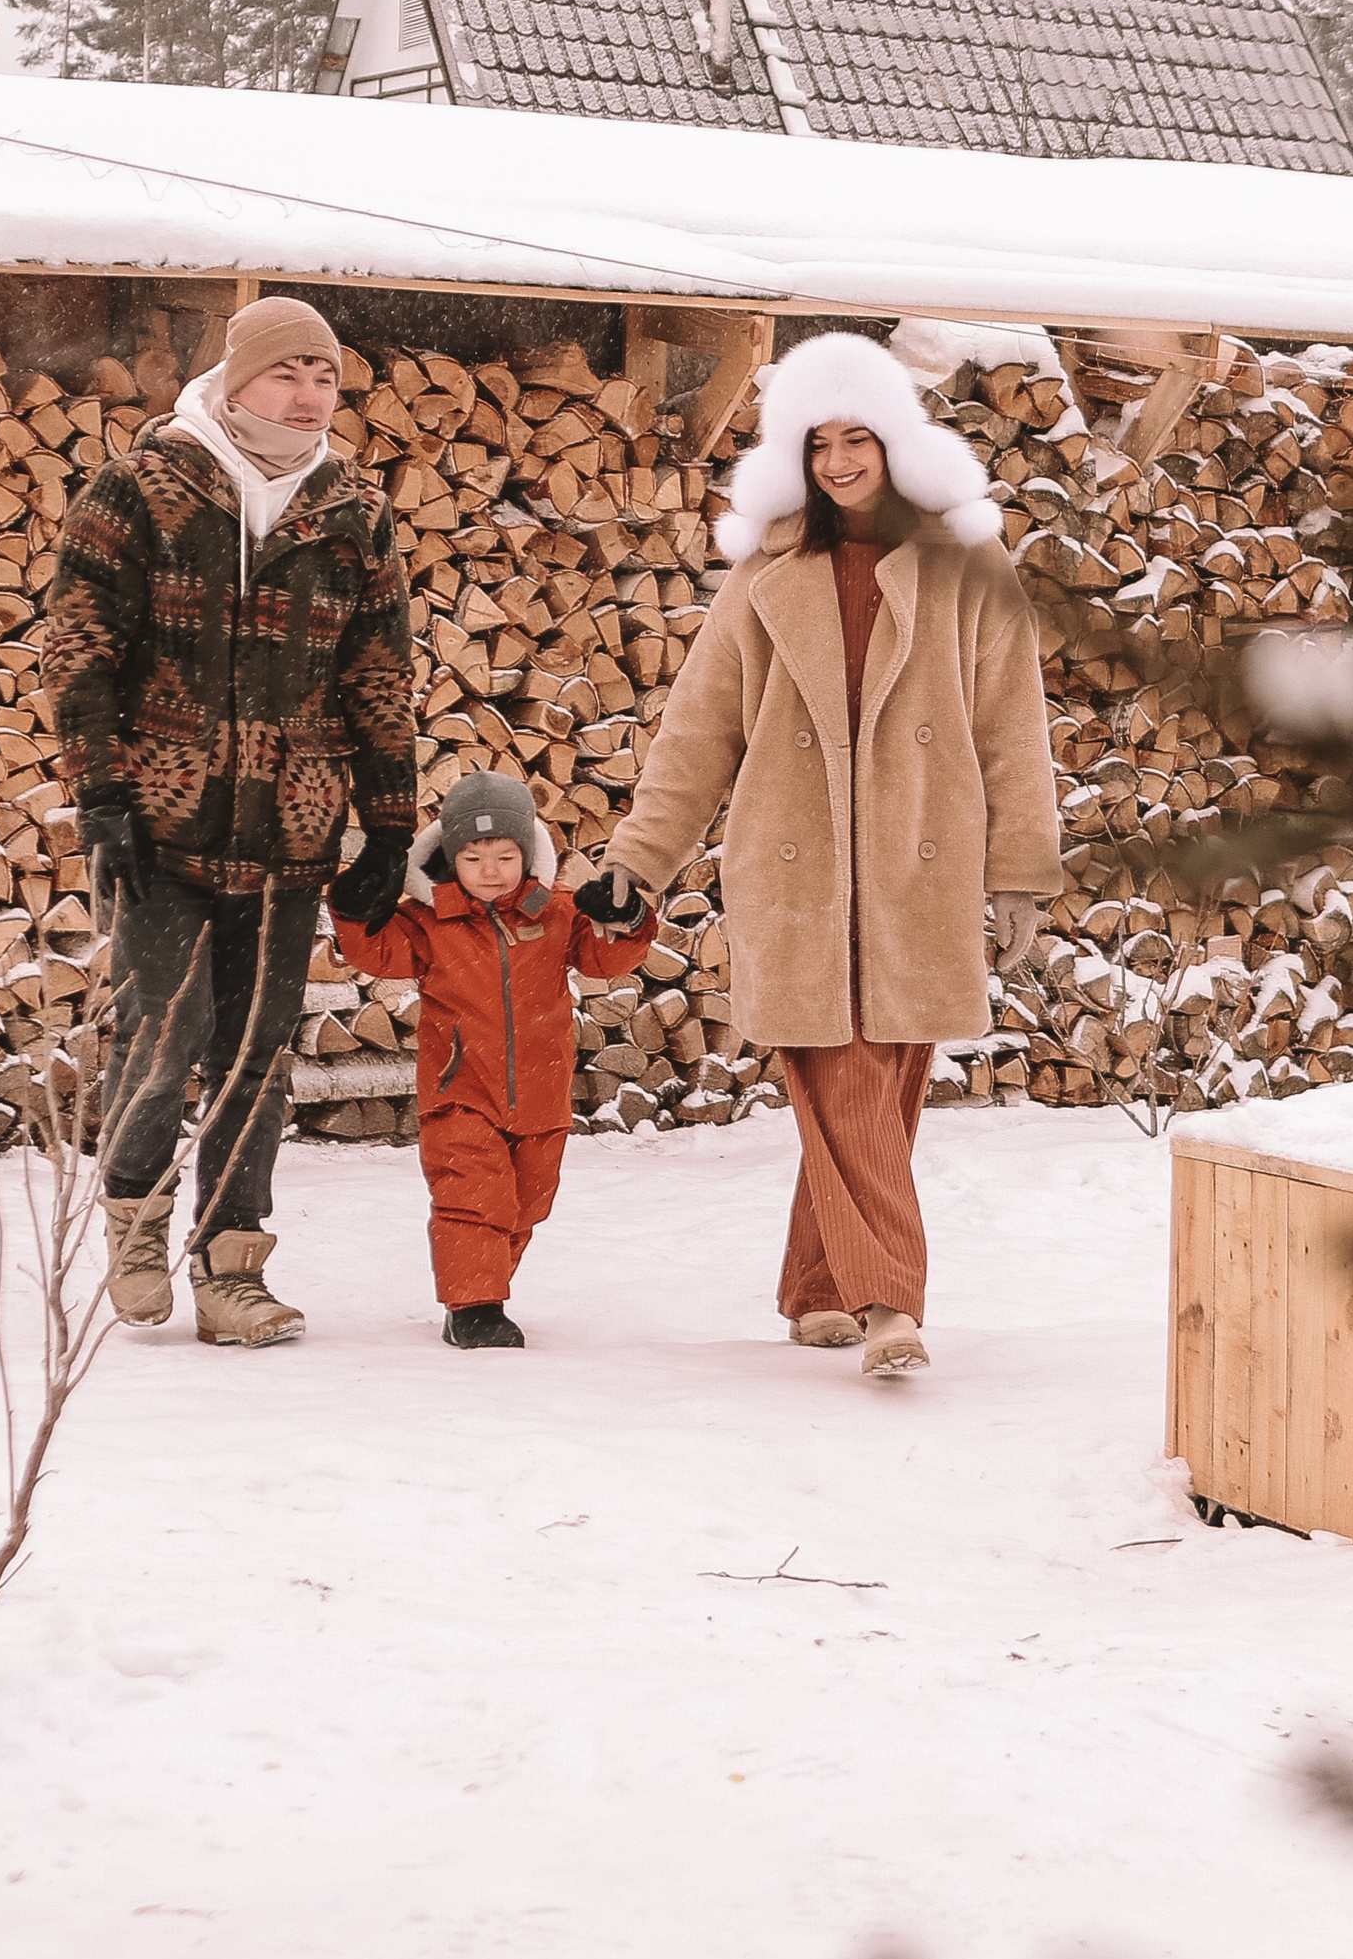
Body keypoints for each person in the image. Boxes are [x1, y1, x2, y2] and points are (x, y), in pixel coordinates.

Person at [597, 332, 1060, 1380]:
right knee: (842, 1081)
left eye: (860, 439)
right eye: (819, 445)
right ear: (793, 459)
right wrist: (639, 857)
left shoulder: (964, 566)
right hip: (794, 872)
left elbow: (1011, 724)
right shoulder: (768, 572)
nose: (840, 462)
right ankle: (889, 1300)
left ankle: (817, 1290)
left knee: (882, 1086)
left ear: (898, 443)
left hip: (917, 869)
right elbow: (699, 727)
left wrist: (1021, 870)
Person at [44, 295, 418, 1350]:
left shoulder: (352, 509)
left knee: (257, 1058)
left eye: (325, 381)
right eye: (286, 375)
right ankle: (133, 1219)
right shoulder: (143, 487)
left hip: (292, 831)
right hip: (161, 826)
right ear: (237, 378)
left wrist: (389, 823)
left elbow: (379, 673)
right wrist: (102, 794)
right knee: (164, 1044)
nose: (306, 400)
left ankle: (233, 1268)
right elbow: (78, 648)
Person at [334, 768, 655, 1350]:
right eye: (474, 857)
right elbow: (376, 951)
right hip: (461, 1089)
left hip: (542, 1091)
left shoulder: (554, 913)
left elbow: (608, 957)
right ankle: (475, 1307)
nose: (490, 871)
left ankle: (481, 1287)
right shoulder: (429, 922)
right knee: (473, 1195)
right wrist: (355, 910)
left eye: (505, 856)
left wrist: (626, 916)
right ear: (450, 858)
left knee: (526, 1201)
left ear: (526, 854)